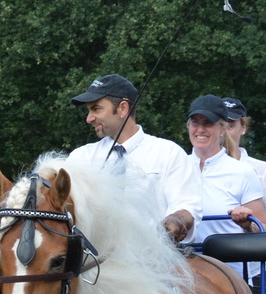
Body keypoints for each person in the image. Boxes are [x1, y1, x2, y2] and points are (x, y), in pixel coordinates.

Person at [68, 73, 200, 240]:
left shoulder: (169, 153)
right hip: (94, 261)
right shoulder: (80, 158)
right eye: (89, 111)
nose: (89, 118)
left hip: (153, 258)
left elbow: (187, 207)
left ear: (123, 108)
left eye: (96, 109)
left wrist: (175, 221)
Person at [184, 96, 266, 243]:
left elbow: (263, 227)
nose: (200, 129)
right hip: (185, 262)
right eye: (195, 123)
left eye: (208, 123)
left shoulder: (243, 171)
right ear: (188, 126)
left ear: (222, 128)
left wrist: (247, 224)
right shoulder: (176, 167)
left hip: (230, 264)